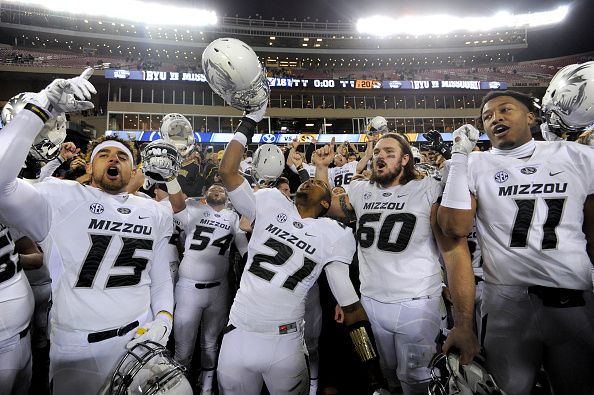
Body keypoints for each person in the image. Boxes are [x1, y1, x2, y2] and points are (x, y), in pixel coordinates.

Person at [0, 70, 175, 395]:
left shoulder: (153, 210)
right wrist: (42, 107)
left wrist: (165, 317)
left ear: (132, 169)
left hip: (139, 343)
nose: (114, 159)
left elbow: (160, 276)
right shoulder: (59, 196)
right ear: (90, 168)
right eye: (104, 154)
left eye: (122, 156)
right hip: (76, 349)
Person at [216, 102, 388, 394]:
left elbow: (349, 304)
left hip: (286, 340)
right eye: (307, 182)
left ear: (327, 204)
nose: (308, 184)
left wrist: (372, 370)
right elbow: (228, 171)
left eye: (321, 188)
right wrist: (251, 120)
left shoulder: (332, 234)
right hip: (239, 331)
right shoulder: (270, 200)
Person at [438, 90, 594, 395]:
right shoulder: (474, 164)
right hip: (507, 302)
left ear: (531, 117)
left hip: (574, 297)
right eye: (487, 116)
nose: (495, 117)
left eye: (505, 109)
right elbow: (454, 227)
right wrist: (459, 155)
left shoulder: (578, 157)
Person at [315, 133, 479, 394]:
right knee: (386, 378)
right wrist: (321, 169)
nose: (380, 157)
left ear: (405, 159)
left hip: (416, 305)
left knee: (418, 382)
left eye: (389, 153)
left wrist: (464, 323)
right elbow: (322, 207)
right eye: (377, 152)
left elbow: (454, 255)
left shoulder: (428, 189)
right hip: (370, 302)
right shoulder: (361, 190)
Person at [168, 184, 248, 395]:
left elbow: (244, 248)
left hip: (219, 288)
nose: (217, 191)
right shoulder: (193, 208)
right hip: (188, 287)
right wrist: (171, 180)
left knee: (211, 344)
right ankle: (179, 389)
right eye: (212, 189)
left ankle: (206, 388)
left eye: (221, 189)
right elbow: (176, 205)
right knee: (183, 350)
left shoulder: (233, 217)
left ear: (227, 196)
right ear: (204, 194)